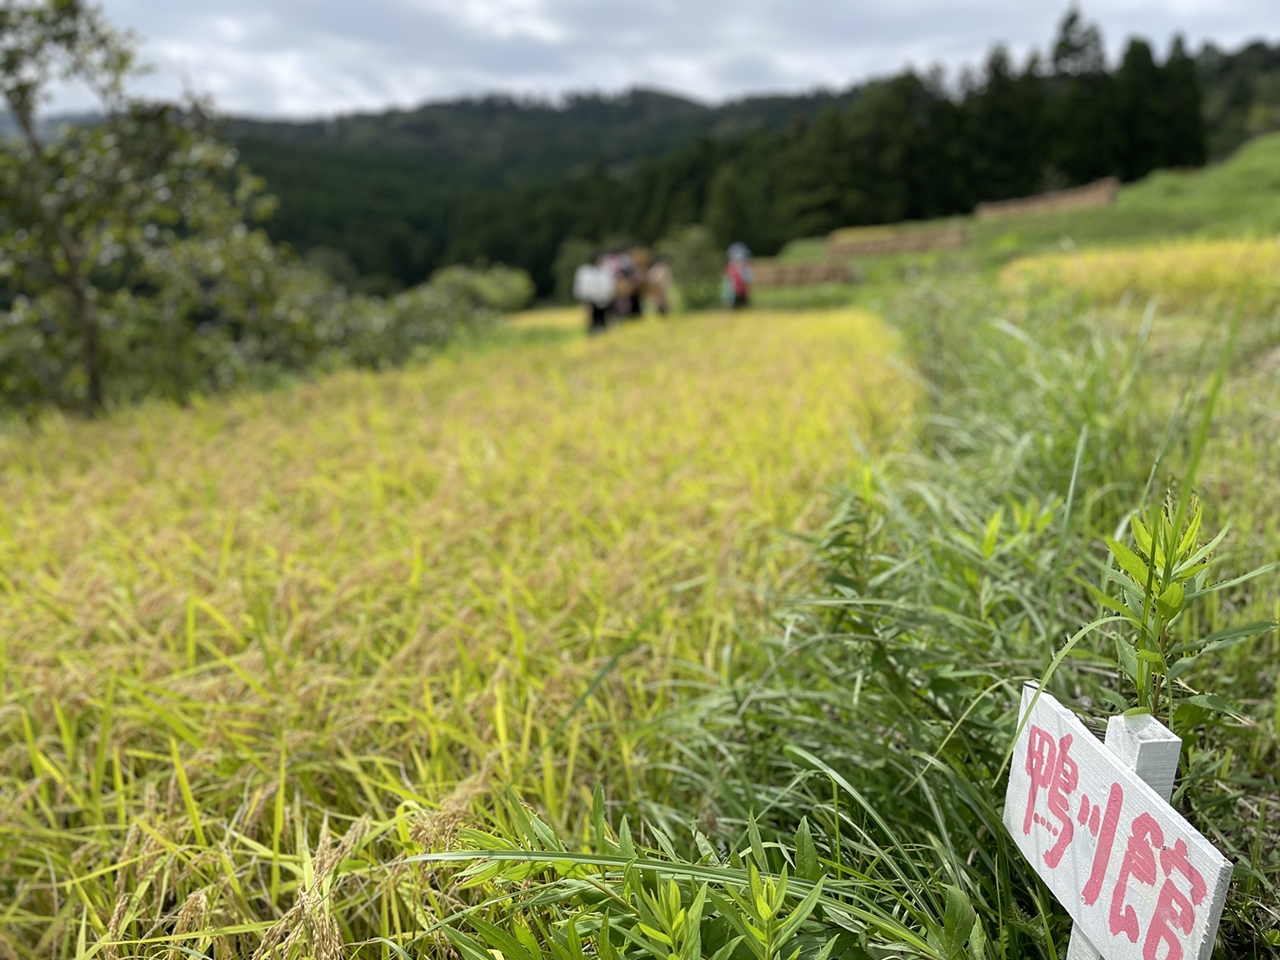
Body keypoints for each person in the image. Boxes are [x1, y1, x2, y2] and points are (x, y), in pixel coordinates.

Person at [573, 254, 617, 334]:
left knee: (603, 318)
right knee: (592, 319)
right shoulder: (585, 272)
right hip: (591, 299)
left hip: (604, 299)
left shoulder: (605, 271)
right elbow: (581, 286)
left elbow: (609, 285)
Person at [722, 242, 753, 309]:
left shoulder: (744, 268)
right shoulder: (731, 268)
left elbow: (748, 279)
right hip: (734, 294)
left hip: (742, 293)